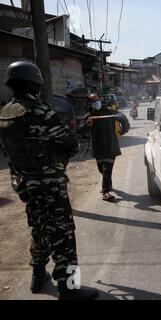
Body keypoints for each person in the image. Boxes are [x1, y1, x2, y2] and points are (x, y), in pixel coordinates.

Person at [0, 61, 98, 300]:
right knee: (63, 234)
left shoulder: (5, 113)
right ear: (35, 84)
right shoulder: (40, 112)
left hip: (25, 183)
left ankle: (37, 274)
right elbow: (71, 143)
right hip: (50, 183)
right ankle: (69, 287)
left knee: (40, 227)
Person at [84, 93, 130, 202]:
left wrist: (123, 130)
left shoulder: (109, 111)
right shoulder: (90, 114)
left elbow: (122, 118)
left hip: (110, 146)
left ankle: (105, 192)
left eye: (96, 99)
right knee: (102, 170)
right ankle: (108, 185)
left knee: (106, 170)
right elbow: (81, 130)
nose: (95, 102)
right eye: (92, 101)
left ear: (99, 99)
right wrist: (88, 124)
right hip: (98, 147)